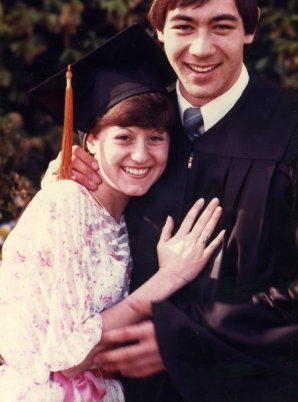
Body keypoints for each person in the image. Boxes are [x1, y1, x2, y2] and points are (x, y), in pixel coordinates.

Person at [61, 0, 298, 401]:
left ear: (251, 27)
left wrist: (187, 343)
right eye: (185, 26)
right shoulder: (131, 132)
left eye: (222, 26)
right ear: (159, 28)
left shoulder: (290, 131)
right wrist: (68, 191)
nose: (202, 48)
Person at [0, 25, 224, 401]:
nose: (141, 155)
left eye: (156, 137)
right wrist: (169, 277)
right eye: (124, 137)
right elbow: (69, 358)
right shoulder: (67, 201)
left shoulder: (123, 212)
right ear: (91, 140)